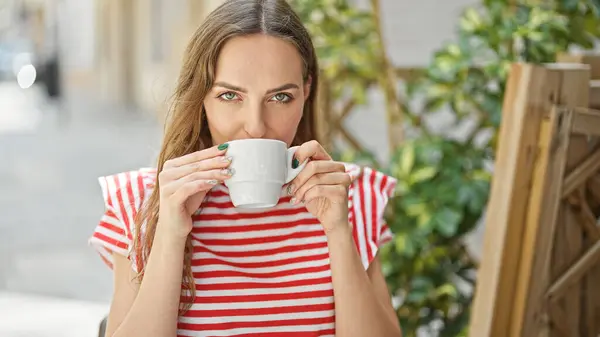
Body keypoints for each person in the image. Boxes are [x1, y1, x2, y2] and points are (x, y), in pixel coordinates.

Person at [88, 0, 401, 336]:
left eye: (280, 97)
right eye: (230, 96)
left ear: (306, 91)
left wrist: (339, 230)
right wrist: (170, 233)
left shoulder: (351, 194)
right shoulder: (142, 201)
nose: (255, 126)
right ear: (201, 95)